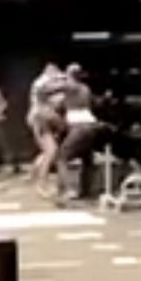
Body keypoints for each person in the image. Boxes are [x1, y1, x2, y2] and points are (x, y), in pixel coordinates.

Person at [57, 63, 100, 200]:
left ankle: (70, 190)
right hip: (91, 125)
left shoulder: (71, 86)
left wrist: (56, 78)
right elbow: (94, 103)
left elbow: (50, 91)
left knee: (62, 157)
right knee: (87, 158)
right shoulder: (86, 88)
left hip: (79, 126)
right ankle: (86, 190)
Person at [27, 63, 69, 199]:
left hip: (43, 119)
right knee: (51, 151)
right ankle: (41, 185)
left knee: (48, 151)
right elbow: (54, 94)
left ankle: (34, 177)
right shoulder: (42, 84)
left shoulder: (45, 83)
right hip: (40, 119)